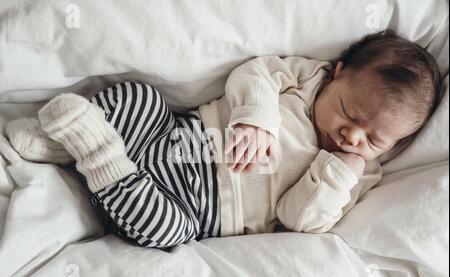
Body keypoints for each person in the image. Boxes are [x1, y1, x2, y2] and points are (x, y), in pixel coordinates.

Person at [5, 30, 442, 249]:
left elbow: (299, 221)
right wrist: (256, 119)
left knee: (169, 231)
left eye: (375, 141)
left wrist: (337, 172)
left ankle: (97, 154)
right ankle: (62, 147)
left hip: (193, 207)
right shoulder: (306, 78)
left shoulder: (357, 176)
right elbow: (254, 72)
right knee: (140, 97)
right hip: (174, 135)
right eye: (350, 113)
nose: (352, 136)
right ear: (338, 72)